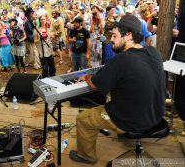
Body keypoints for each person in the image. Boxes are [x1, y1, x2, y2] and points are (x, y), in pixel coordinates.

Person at [69, 15, 166, 164]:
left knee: (83, 119)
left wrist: (87, 76)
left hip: (131, 121)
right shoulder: (154, 52)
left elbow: (94, 84)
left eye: (114, 36)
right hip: (156, 115)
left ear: (128, 35)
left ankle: (86, 156)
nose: (111, 40)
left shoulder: (120, 60)